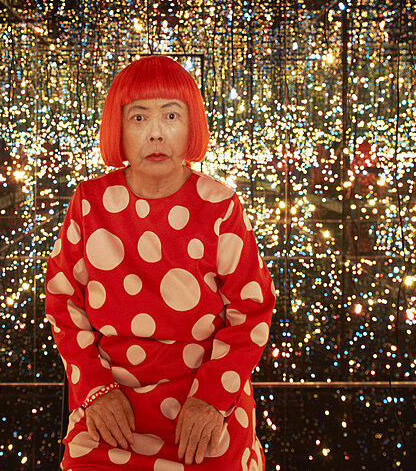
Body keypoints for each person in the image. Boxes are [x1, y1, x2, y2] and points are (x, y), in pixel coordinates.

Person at [45, 55, 276, 469]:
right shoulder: (90, 202)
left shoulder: (220, 205)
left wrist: (209, 400)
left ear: (191, 126)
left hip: (205, 398)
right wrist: (95, 390)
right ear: (119, 128)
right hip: (112, 401)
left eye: (171, 115)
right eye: (138, 118)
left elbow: (252, 312)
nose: (155, 134)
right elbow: (64, 305)